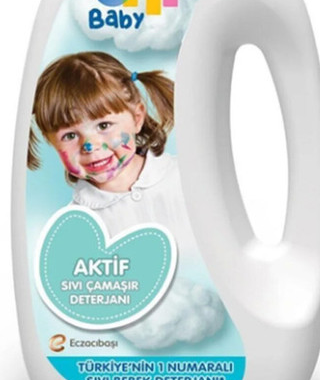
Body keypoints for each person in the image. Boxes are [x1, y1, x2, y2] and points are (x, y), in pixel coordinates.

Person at [28, 51, 199, 255]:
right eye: (70, 135)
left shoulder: (187, 178)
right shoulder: (76, 227)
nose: (90, 146)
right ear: (51, 141)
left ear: (137, 118)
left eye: (104, 125)